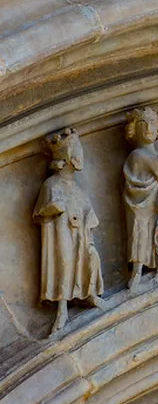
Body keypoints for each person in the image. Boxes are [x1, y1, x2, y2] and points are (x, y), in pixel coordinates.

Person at [33, 128, 104, 334]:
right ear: (68, 157)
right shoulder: (51, 184)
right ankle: (62, 308)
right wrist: (53, 208)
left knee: (90, 259)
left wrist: (88, 219)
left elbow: (89, 214)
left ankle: (88, 294)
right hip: (60, 236)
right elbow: (38, 213)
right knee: (64, 264)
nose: (81, 156)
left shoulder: (79, 190)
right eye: (77, 152)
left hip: (81, 237)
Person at [122, 107, 158, 290]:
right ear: (134, 128)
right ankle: (137, 271)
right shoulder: (137, 155)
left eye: (153, 123)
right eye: (143, 123)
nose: (149, 127)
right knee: (139, 230)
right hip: (141, 205)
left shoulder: (156, 157)